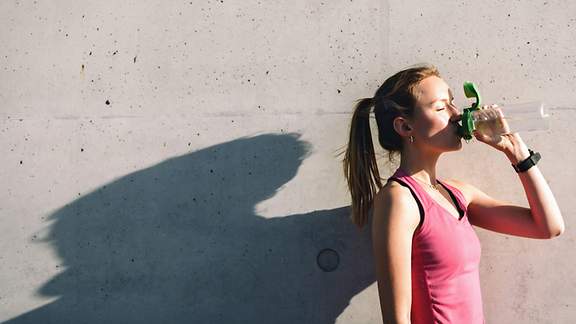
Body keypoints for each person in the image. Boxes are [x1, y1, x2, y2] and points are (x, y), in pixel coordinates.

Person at [340, 64, 565, 324]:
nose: (457, 114)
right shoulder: (399, 199)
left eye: (453, 103)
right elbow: (396, 320)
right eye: (440, 107)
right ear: (404, 127)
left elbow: (548, 227)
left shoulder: (458, 193)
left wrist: (517, 152)